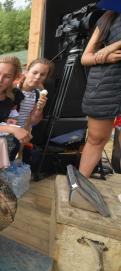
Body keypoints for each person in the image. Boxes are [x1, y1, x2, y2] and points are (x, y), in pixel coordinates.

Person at [79, 9, 121, 177]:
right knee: (96, 139)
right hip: (105, 84)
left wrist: (116, 44)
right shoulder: (109, 16)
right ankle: (79, 188)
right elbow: (85, 58)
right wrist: (106, 57)